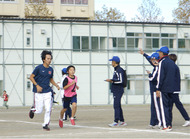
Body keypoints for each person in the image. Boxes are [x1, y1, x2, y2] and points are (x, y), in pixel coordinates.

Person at [29, 50, 60, 131]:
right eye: (48, 58)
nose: (49, 60)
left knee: (48, 108)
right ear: (43, 59)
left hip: (47, 91)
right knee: (39, 111)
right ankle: (33, 109)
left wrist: (56, 85)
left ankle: (45, 124)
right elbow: (31, 77)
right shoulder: (38, 68)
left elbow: (50, 79)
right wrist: (37, 85)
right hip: (38, 92)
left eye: (50, 58)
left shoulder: (51, 69)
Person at [139, 49, 161, 128]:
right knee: (154, 106)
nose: (151, 61)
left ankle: (158, 122)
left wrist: (149, 74)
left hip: (156, 90)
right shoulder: (157, 65)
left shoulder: (158, 67)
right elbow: (150, 59)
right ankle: (153, 122)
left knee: (157, 106)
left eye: (153, 59)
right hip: (154, 89)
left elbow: (152, 78)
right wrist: (144, 54)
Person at [156, 46, 176, 131]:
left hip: (164, 88)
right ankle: (169, 124)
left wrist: (158, 88)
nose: (159, 54)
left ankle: (165, 125)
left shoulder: (162, 62)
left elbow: (160, 76)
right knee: (169, 107)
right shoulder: (172, 62)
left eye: (159, 52)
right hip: (172, 88)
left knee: (164, 107)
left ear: (161, 53)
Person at [168, 54, 190, 127]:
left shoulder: (173, 67)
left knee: (178, 105)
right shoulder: (174, 67)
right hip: (174, 89)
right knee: (170, 106)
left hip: (173, 89)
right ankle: (169, 122)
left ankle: (187, 119)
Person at [105, 56, 127, 127]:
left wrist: (112, 80)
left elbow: (121, 81)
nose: (111, 63)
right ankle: (122, 121)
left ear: (114, 62)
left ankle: (116, 121)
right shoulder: (116, 70)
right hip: (117, 90)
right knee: (118, 105)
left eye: (112, 62)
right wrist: (112, 80)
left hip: (118, 90)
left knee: (116, 106)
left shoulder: (119, 70)